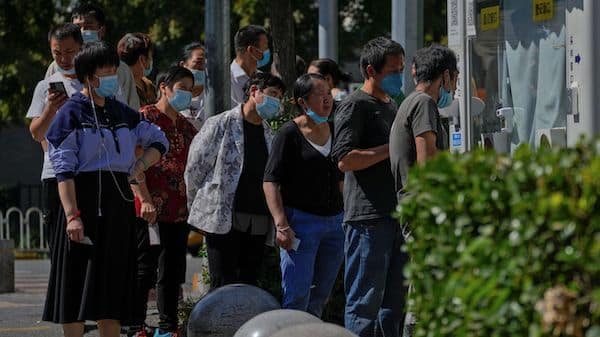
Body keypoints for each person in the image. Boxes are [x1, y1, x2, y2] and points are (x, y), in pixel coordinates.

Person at [42, 41, 168, 337]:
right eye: (105, 70)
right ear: (87, 76)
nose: (112, 75)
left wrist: (139, 166)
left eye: (114, 68)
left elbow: (158, 139)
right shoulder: (71, 114)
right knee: (75, 287)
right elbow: (63, 169)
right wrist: (72, 216)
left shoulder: (123, 113)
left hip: (118, 205)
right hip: (82, 203)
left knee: (111, 290)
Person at [331, 36, 407, 337]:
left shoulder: (392, 105)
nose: (398, 76)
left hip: (396, 215)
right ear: (370, 70)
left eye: (401, 69)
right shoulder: (355, 106)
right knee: (364, 303)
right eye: (392, 70)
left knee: (393, 304)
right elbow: (345, 160)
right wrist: (390, 148)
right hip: (368, 219)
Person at [185, 72, 285, 289]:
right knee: (222, 282)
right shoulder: (220, 123)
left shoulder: (271, 134)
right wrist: (197, 206)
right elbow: (195, 167)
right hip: (222, 216)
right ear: (253, 91)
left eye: (280, 97)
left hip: (258, 218)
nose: (276, 101)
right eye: (273, 94)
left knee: (249, 282)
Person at [263, 73, 344, 317]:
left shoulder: (336, 128)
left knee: (321, 296)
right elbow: (270, 181)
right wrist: (281, 224)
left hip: (335, 224)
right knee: (297, 296)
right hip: (300, 224)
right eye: (320, 95)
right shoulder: (289, 134)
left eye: (328, 94)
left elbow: (342, 178)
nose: (327, 100)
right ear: (303, 102)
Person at [129, 66, 197, 337]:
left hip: (178, 209)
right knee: (144, 269)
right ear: (164, 87)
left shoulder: (186, 127)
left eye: (190, 90)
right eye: (181, 88)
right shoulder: (145, 118)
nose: (186, 95)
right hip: (149, 209)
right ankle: (136, 325)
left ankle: (169, 327)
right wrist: (144, 199)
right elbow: (133, 164)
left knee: (172, 270)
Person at [26, 23, 84, 252]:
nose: (64, 58)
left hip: (89, 171)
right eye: (57, 53)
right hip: (55, 174)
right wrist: (50, 109)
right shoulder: (45, 87)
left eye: (70, 52)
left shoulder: (93, 83)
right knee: (60, 245)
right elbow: (36, 133)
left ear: (81, 48)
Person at [44, 3, 140, 110]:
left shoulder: (120, 69)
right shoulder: (57, 67)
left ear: (101, 31)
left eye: (88, 27)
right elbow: (46, 110)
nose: (82, 32)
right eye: (77, 28)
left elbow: (133, 109)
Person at [390, 45, 456, 196]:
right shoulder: (424, 102)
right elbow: (427, 162)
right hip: (421, 204)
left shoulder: (411, 101)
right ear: (446, 76)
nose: (454, 88)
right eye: (455, 80)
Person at [230, 25, 270, 106]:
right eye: (265, 48)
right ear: (251, 50)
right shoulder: (226, 80)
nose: (268, 52)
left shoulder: (263, 79)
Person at [117, 32, 157, 107]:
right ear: (142, 59)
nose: (151, 60)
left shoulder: (148, 85)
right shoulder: (122, 88)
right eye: (150, 56)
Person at [178, 42, 208, 130]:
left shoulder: (213, 98)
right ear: (183, 65)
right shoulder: (173, 95)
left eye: (205, 64)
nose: (202, 68)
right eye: (198, 63)